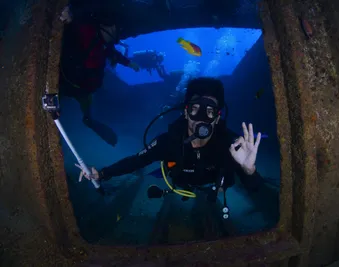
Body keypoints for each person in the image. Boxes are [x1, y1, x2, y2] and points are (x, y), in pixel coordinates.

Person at [76, 78, 265, 204]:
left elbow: (256, 190)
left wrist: (249, 170)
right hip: (181, 182)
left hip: (216, 185)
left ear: (217, 118)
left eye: (209, 112)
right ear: (185, 112)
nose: (201, 118)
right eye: (195, 109)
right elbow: (136, 161)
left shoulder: (231, 145)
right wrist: (102, 173)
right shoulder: (170, 141)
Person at [59, 5, 140, 146]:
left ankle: (88, 120)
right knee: (59, 104)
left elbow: (113, 54)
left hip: (84, 91)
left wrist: (129, 63)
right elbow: (74, 29)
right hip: (68, 84)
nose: (117, 35)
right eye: (116, 30)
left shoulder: (103, 43)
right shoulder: (88, 31)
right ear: (108, 27)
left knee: (87, 112)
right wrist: (69, 19)